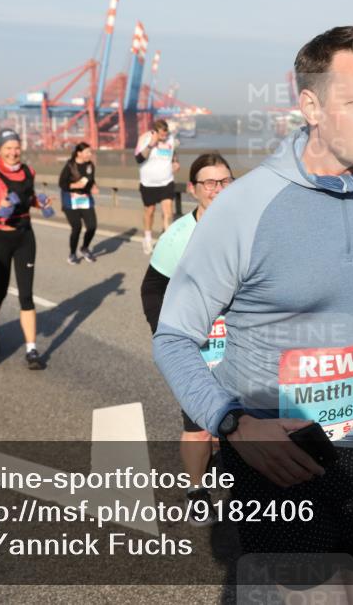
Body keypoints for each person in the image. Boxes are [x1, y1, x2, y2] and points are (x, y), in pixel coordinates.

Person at [153, 26, 353, 602]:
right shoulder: (244, 207)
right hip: (277, 456)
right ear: (310, 106)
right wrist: (233, 424)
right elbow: (174, 337)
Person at [140, 152, 234, 525]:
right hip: (198, 348)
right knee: (198, 428)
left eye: (225, 181)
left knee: (242, 420)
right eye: (209, 182)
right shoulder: (179, 235)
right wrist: (170, 337)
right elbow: (152, 289)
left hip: (241, 346)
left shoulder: (248, 225)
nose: (218, 189)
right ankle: (196, 490)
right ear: (193, 189)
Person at [0, 129, 53, 369]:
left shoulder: (29, 171)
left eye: (16, 147)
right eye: (8, 148)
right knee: (0, 289)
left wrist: (40, 202)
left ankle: (31, 350)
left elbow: (28, 198)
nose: (13, 152)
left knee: (26, 295)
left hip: (25, 236)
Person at [134, 119, 180, 254]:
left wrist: (175, 162)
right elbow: (138, 159)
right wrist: (151, 144)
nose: (164, 137)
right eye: (161, 135)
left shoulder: (170, 138)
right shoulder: (144, 138)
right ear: (154, 132)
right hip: (148, 183)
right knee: (150, 211)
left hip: (166, 181)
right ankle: (147, 239)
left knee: (168, 212)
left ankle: (166, 242)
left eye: (166, 134)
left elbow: (173, 152)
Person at [58, 142, 100, 264]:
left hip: (85, 198)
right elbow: (62, 183)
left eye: (90, 152)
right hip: (70, 199)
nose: (90, 154)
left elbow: (91, 179)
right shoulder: (70, 166)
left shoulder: (90, 165)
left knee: (92, 226)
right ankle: (72, 254)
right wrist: (74, 185)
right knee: (77, 227)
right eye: (87, 152)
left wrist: (94, 186)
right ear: (79, 153)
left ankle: (84, 248)